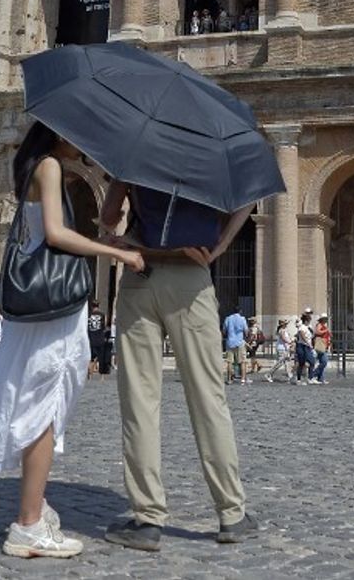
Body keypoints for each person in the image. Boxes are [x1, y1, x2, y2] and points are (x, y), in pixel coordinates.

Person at [0, 123, 146, 560]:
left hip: (36, 303)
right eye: (77, 134)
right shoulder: (48, 166)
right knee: (44, 407)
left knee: (36, 401)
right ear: (60, 133)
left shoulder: (31, 166)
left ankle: (34, 507)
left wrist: (103, 240)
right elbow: (55, 234)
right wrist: (118, 253)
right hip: (53, 310)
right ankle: (28, 524)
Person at [95, 177, 258, 552]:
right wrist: (222, 244)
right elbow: (249, 196)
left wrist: (116, 223)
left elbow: (108, 216)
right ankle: (231, 513)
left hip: (140, 273)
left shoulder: (138, 148)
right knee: (208, 400)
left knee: (140, 402)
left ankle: (147, 518)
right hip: (191, 275)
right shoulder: (212, 154)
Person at [223, 306, 249, 386]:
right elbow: (246, 331)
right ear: (240, 311)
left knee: (230, 362)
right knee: (242, 361)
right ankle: (243, 379)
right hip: (239, 342)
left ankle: (229, 379)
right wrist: (246, 337)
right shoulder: (242, 319)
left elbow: (224, 330)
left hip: (230, 342)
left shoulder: (228, 319)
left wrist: (226, 336)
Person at [87, 301, 107, 378]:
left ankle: (90, 371)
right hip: (100, 337)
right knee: (100, 356)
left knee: (91, 356)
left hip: (91, 337)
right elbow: (104, 326)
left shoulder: (88, 315)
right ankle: (101, 376)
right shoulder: (102, 315)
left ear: (92, 306)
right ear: (98, 306)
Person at [309, 315, 331, 384]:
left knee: (322, 362)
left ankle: (320, 378)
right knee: (324, 362)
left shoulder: (323, 325)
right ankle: (313, 375)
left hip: (324, 345)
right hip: (320, 345)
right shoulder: (319, 325)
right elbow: (317, 332)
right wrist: (326, 330)